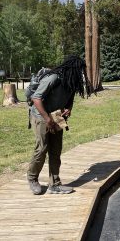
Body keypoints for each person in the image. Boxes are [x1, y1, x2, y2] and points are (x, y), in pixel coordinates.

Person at [27, 55, 93, 195]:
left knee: (56, 150)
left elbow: (70, 99)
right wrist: (47, 119)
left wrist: (69, 108)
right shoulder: (53, 78)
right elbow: (36, 98)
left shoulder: (71, 81)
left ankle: (54, 184)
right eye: (80, 70)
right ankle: (32, 179)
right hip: (40, 115)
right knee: (42, 149)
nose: (82, 73)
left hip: (56, 116)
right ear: (72, 69)